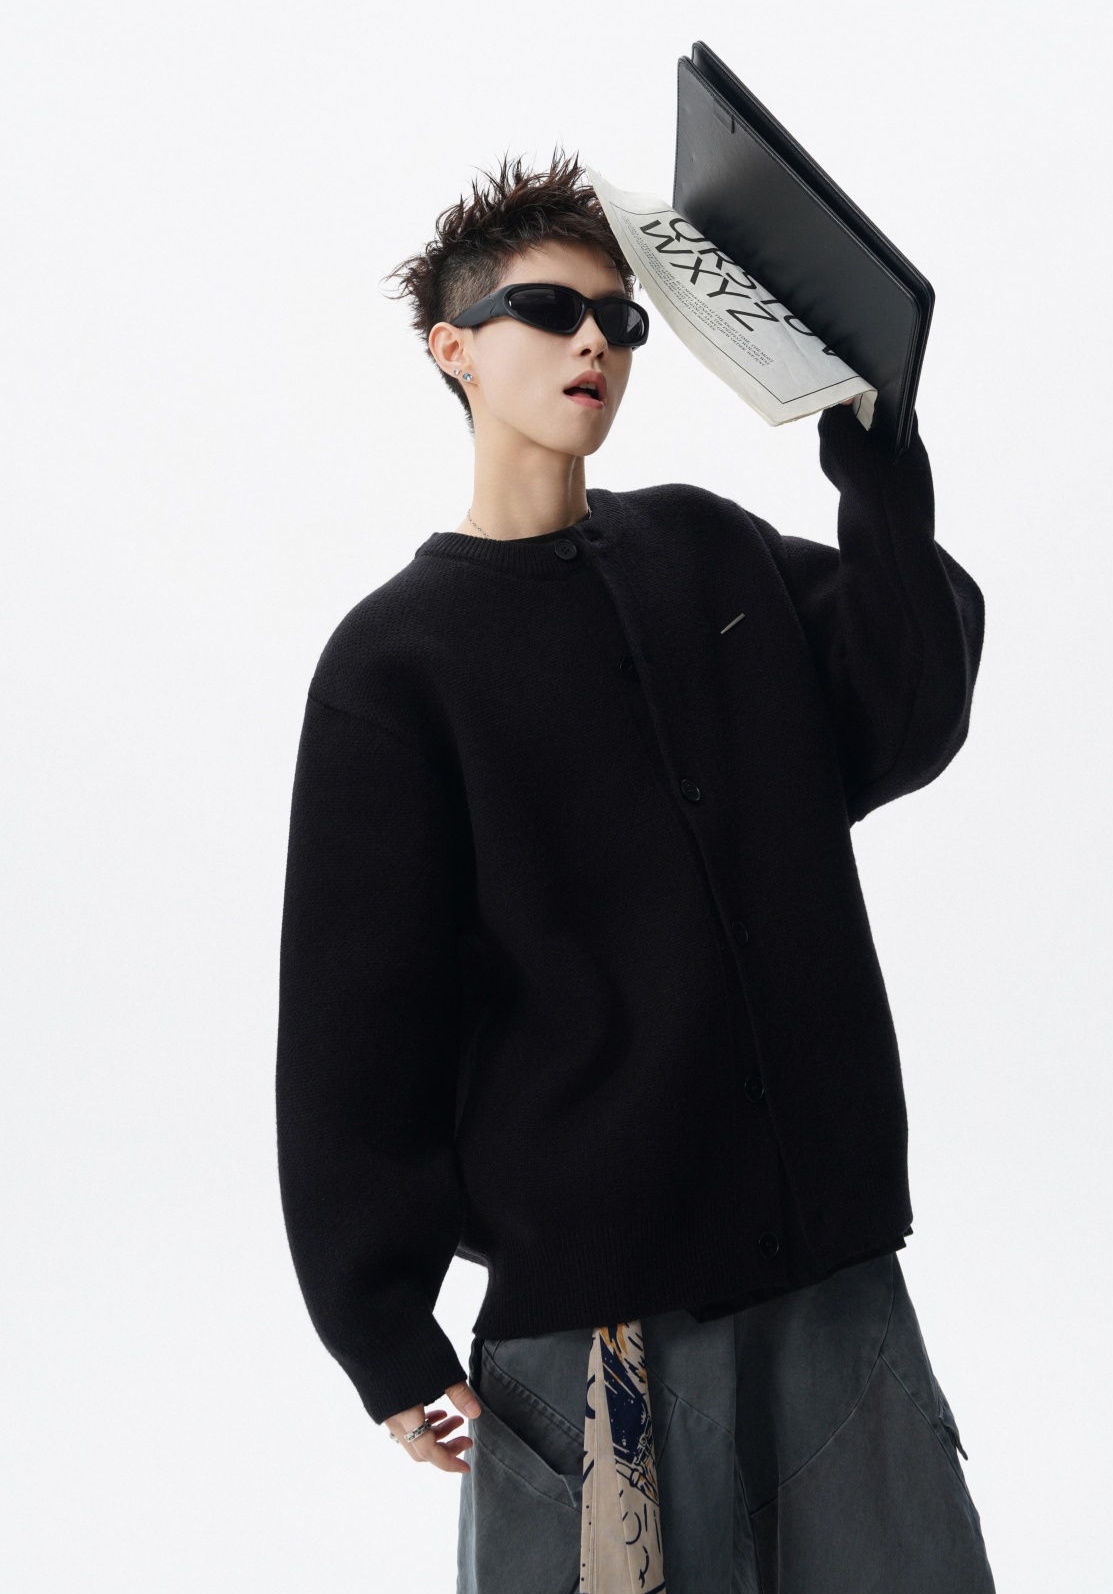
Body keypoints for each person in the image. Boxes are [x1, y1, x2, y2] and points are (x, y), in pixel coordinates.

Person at [275, 148, 996, 1593]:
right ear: (452, 347)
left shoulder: (709, 555)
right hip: (595, 1318)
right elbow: (359, 1027)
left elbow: (907, 704)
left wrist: (873, 448)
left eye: (621, 319)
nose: (594, 342)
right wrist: (382, 1332)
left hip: (832, 1276)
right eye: (548, 311)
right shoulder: (396, 667)